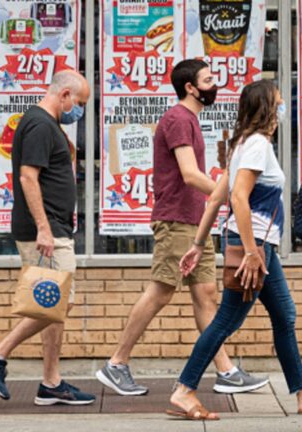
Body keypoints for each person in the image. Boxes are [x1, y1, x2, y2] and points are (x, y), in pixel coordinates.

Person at [95, 59, 267, 396]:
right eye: (208, 79)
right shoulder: (177, 119)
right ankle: (116, 363)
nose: (214, 84)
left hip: (193, 219)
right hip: (175, 219)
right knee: (161, 289)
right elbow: (188, 173)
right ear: (190, 87)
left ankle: (226, 371)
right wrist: (230, 194)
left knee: (206, 294)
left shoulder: (190, 120)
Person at [168, 79, 302, 421]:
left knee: (284, 316)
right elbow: (236, 199)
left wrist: (197, 244)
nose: (281, 110)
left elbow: (216, 198)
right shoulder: (257, 146)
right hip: (254, 248)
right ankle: (185, 390)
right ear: (266, 108)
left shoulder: (242, 145)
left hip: (257, 247)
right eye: (278, 103)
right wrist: (250, 252)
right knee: (226, 321)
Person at [0, 70, 95, 406]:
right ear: (65, 94)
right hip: (47, 230)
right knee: (60, 300)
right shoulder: (41, 124)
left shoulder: (44, 122)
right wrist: (44, 228)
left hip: (53, 227)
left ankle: (51, 382)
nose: (79, 111)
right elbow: (29, 178)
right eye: (80, 103)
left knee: (53, 303)